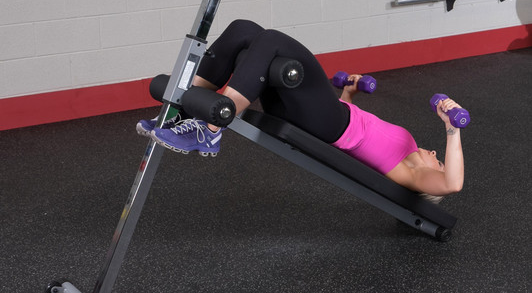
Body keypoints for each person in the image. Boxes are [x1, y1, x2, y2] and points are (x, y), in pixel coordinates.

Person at [138, 20, 464, 197]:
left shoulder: (414, 176)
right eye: (439, 157)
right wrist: (348, 94)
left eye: (438, 161)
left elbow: (453, 184)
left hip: (329, 124)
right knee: (244, 31)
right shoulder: (408, 154)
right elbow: (359, 138)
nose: (435, 154)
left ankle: (211, 129)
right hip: (329, 116)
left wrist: (452, 129)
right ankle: (180, 110)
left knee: (273, 40)